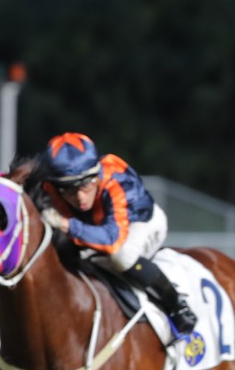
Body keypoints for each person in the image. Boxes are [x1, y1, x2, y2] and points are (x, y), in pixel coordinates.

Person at [40, 132, 197, 335]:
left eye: (86, 184)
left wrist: (66, 225)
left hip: (139, 224)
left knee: (121, 257)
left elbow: (112, 240)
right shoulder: (48, 187)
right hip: (95, 229)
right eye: (68, 189)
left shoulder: (116, 178)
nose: (80, 197)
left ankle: (177, 305)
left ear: (96, 173)